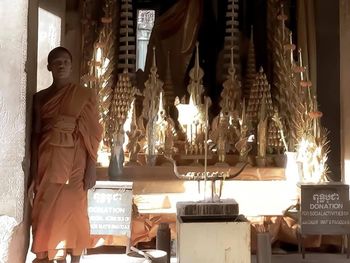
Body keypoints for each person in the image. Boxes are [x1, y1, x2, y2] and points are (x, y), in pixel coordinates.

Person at [29, 47, 103, 263]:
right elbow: (35, 134)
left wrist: (91, 168)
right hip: (48, 157)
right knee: (45, 207)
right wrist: (34, 172)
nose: (61, 65)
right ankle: (48, 253)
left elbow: (93, 133)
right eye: (56, 62)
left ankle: (74, 256)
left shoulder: (85, 95)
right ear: (49, 67)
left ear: (71, 66)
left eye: (65, 61)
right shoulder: (39, 98)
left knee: (75, 209)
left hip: (76, 160)